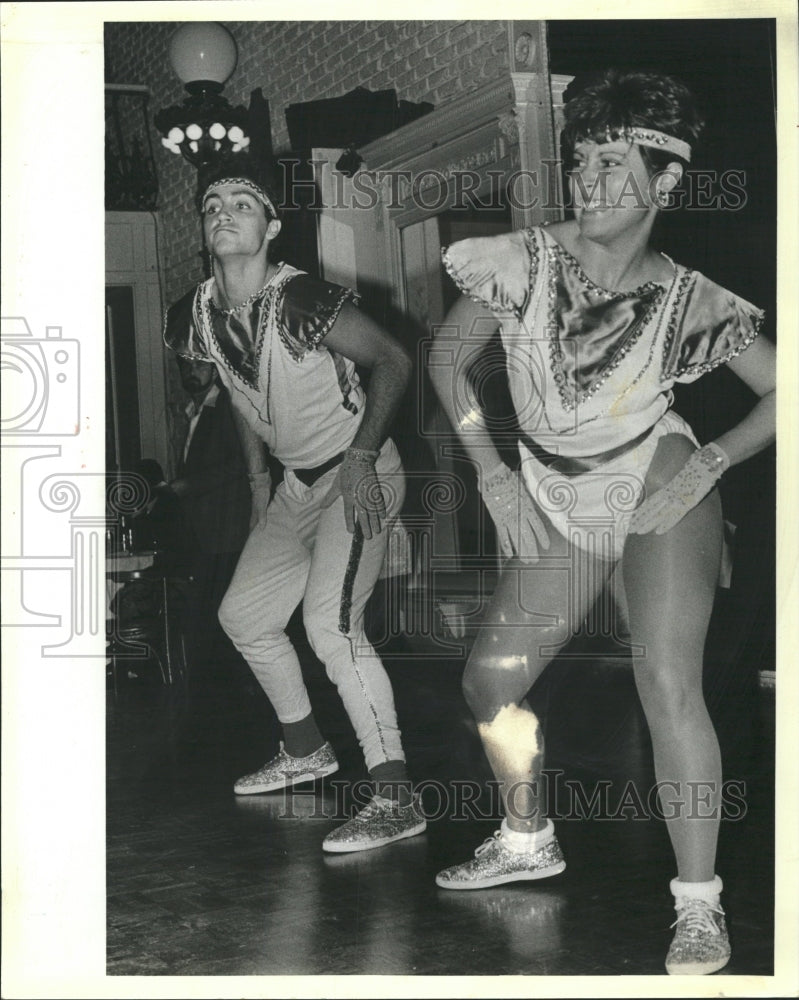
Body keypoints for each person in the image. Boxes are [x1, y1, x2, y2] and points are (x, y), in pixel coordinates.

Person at [429, 69, 775, 975]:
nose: (587, 179)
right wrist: (492, 475)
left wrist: (709, 461)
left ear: (664, 185)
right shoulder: (524, 260)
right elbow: (445, 362)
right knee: (488, 686)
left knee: (666, 681)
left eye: (613, 162)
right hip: (550, 490)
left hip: (655, 477)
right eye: (581, 159)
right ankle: (525, 833)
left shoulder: (688, 299)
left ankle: (698, 907)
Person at [163, 155, 425, 853]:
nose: (223, 212)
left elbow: (394, 361)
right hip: (294, 487)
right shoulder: (196, 313)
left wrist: (365, 457)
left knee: (330, 627)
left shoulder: (303, 299)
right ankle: (305, 747)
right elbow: (243, 400)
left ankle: (396, 796)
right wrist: (259, 492)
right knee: (243, 616)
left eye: (242, 204)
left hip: (356, 471)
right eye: (212, 203)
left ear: (273, 227)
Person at [167, 356, 252, 678]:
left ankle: (231, 694)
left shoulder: (226, 405)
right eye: (185, 365)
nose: (191, 371)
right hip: (205, 533)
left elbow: (242, 463)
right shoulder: (197, 410)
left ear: (216, 367)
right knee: (208, 617)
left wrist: (188, 485)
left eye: (199, 365)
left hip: (226, 530)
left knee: (224, 618)